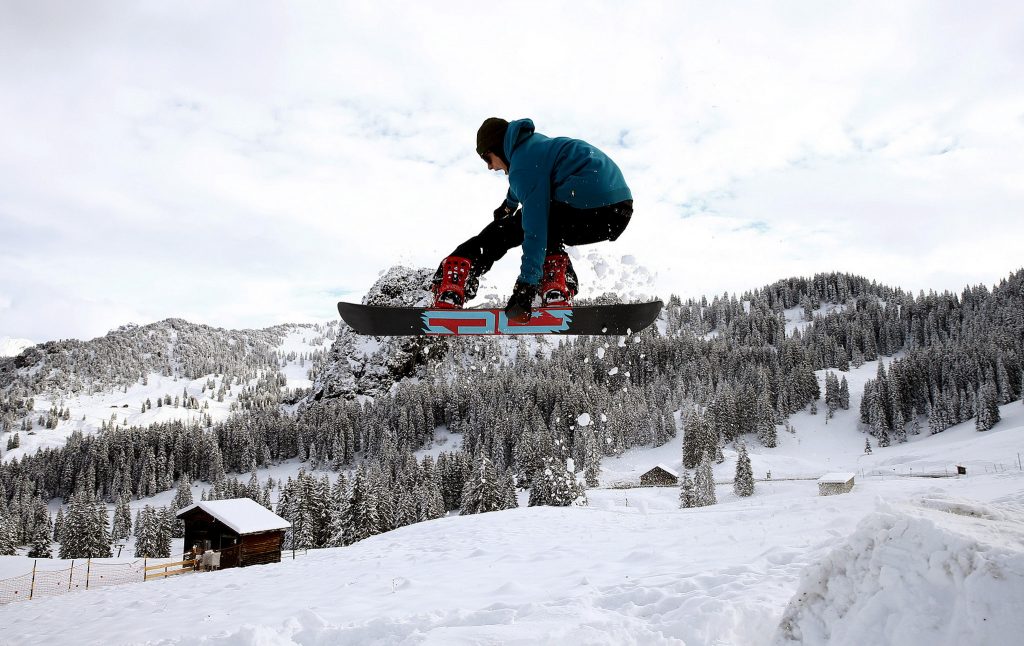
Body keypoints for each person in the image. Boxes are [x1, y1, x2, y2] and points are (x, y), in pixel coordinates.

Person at [430, 117, 633, 322]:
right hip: (615, 212)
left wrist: (525, 287)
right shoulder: (532, 147)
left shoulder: (523, 165)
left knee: (515, 229)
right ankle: (555, 283)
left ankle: (456, 276)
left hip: (590, 205)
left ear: (497, 147)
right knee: (534, 225)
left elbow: (535, 230)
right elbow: (527, 180)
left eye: (487, 158)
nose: (489, 167)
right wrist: (509, 205)